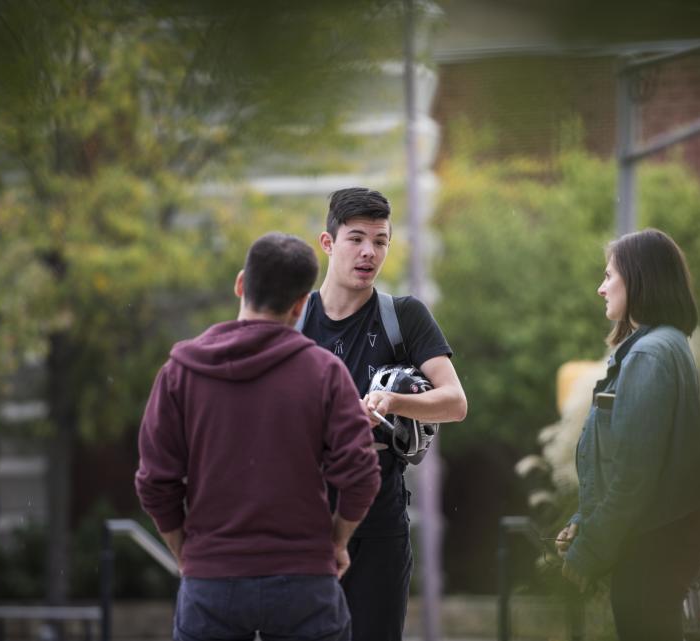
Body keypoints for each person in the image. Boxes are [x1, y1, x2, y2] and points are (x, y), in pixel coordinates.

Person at [135, 232, 381, 641]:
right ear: (301, 304)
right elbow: (361, 473)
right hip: (305, 582)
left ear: (240, 284)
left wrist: (186, 553)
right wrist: (336, 542)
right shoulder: (324, 373)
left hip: (211, 584)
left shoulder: (180, 373)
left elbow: (154, 481)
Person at [300, 187, 467, 641]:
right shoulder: (294, 321)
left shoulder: (405, 316)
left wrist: (392, 402)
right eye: (356, 239)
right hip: (301, 521)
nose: (369, 252)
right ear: (328, 242)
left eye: (381, 241)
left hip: (379, 522)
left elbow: (455, 401)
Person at [556, 228, 700, 641]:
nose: (600, 288)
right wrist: (582, 521)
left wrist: (589, 550)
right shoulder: (668, 344)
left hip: (653, 542)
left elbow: (633, 473)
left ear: (639, 278)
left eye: (609, 276)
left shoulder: (649, 354)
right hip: (663, 537)